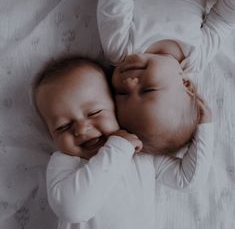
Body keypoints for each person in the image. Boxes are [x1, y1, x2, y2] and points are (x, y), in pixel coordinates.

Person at [33, 56, 213, 229]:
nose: (81, 129)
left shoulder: (141, 154)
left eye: (94, 112)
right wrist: (117, 150)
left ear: (117, 108)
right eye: (63, 126)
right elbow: (73, 210)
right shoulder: (64, 163)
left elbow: (188, 180)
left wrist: (203, 127)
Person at [97, 0, 234, 154]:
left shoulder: (120, 49)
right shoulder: (196, 57)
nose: (129, 83)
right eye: (147, 90)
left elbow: (115, 2)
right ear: (185, 83)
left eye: (121, 94)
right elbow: (223, 21)